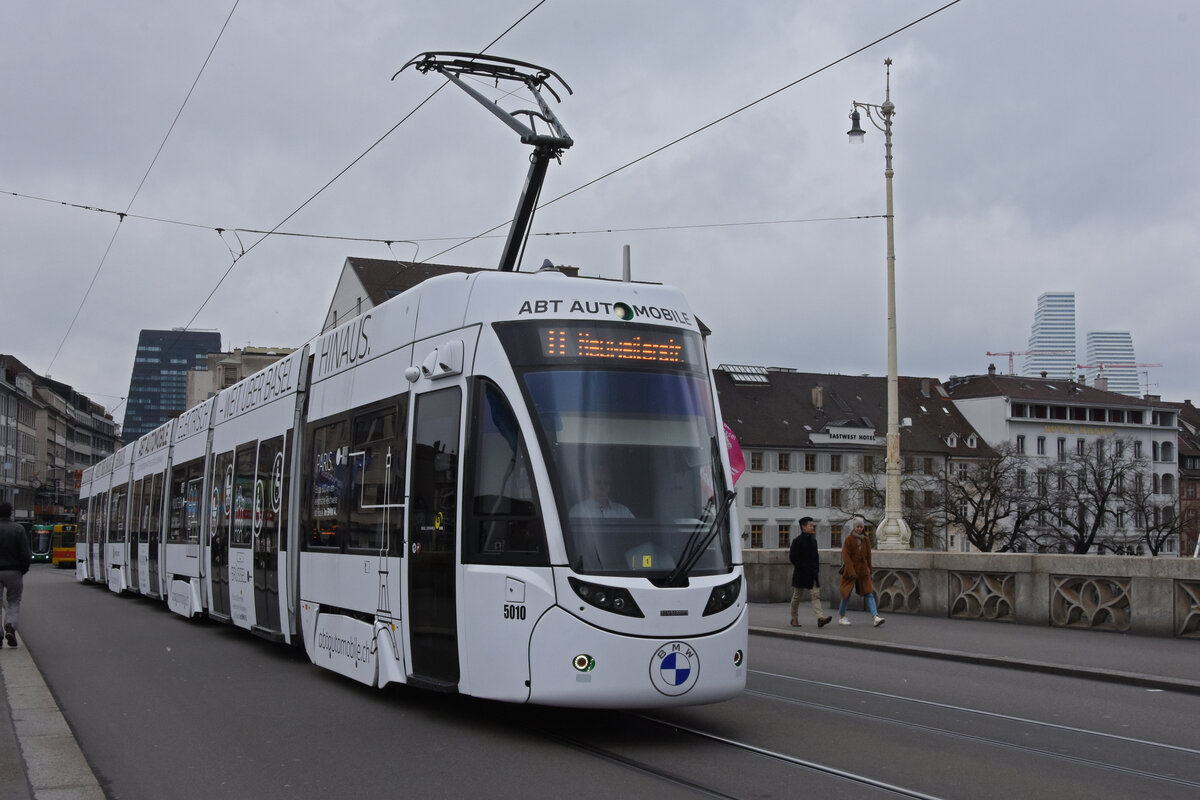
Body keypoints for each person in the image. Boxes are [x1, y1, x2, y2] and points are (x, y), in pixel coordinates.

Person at [838, 516, 885, 627]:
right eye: (857, 527)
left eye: (861, 527)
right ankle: (841, 616)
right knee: (846, 594)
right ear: (854, 527)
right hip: (851, 571)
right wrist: (851, 571)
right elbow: (846, 556)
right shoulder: (849, 540)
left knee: (869, 593)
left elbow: (868, 556)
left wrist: (869, 569)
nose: (859, 529)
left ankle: (875, 617)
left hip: (863, 570)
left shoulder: (866, 539)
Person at [789, 516, 833, 628]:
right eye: (810, 525)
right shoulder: (797, 541)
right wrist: (804, 567)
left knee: (816, 596)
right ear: (803, 527)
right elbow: (793, 558)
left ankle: (820, 618)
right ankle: (794, 618)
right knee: (797, 597)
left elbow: (816, 557)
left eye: (812, 525)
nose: (812, 527)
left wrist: (816, 569)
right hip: (801, 574)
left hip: (812, 574)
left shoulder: (814, 541)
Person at [0, 501, 33, 648]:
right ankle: (10, 627)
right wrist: (23, 569)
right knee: (14, 600)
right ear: (10, 513)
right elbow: (25, 553)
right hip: (14, 571)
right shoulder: (18, 529)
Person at [569, 465, 633, 518]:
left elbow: (635, 532)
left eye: (606, 483)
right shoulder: (578, 511)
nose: (603, 487)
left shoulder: (623, 511)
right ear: (590, 485)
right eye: (598, 483)